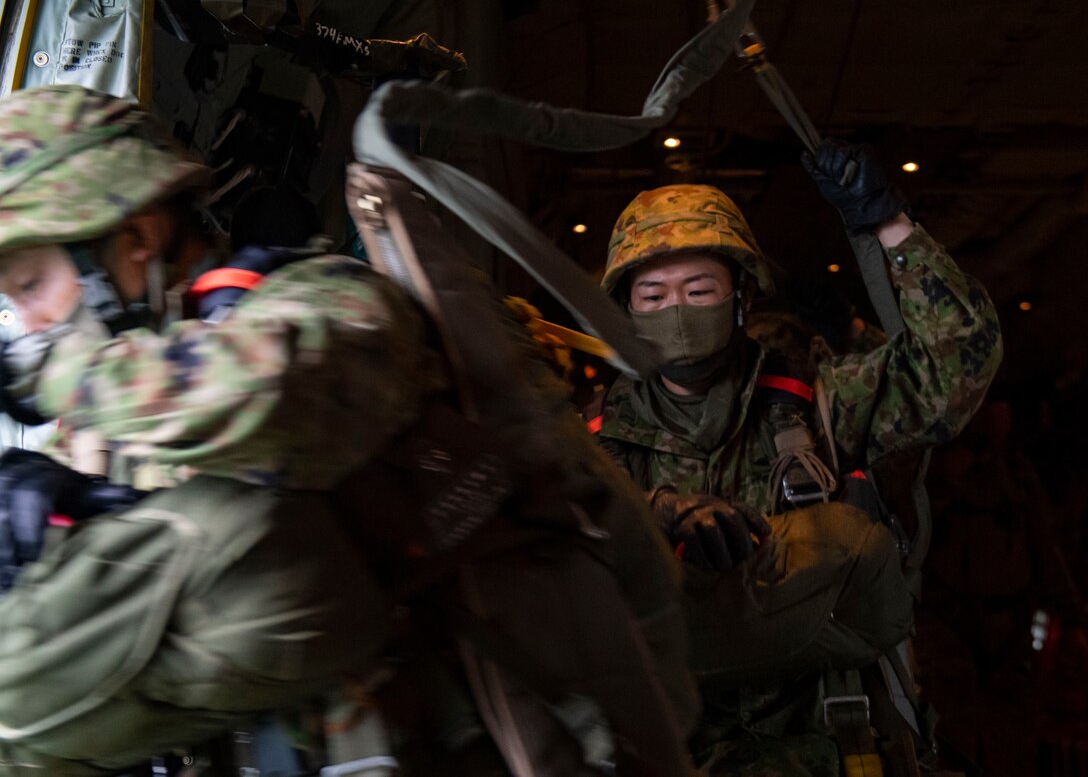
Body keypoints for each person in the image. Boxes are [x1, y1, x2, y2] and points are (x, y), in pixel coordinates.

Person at [0, 85, 697, 776]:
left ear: (134, 237)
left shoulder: (325, 301)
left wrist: (67, 378)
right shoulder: (113, 422)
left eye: (30, 286)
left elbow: (265, 395)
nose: (28, 324)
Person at [594, 141, 1003, 775]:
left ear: (742, 300)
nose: (675, 309)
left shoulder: (824, 404)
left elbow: (955, 363)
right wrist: (655, 512)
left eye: (699, 288)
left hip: (832, 746)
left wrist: (888, 225)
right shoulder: (587, 442)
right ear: (625, 310)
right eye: (653, 296)